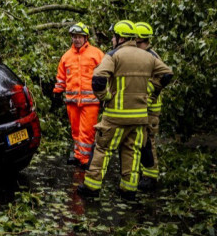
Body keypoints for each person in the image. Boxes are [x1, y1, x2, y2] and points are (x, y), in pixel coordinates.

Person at [77, 20, 173, 201]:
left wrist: (105, 97)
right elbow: (167, 74)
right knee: (132, 151)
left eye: (114, 36)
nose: (112, 39)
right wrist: (151, 90)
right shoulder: (148, 56)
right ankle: (128, 190)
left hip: (115, 116)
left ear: (121, 37)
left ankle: (91, 187)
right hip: (139, 117)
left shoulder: (114, 55)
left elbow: (98, 79)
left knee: (102, 149)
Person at [53, 22, 105, 168]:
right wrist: (57, 92)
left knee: (87, 133)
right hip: (72, 102)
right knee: (76, 132)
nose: (76, 39)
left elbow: (106, 74)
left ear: (85, 38)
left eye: (79, 37)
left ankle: (84, 160)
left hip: (91, 102)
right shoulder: (66, 57)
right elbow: (61, 78)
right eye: (74, 37)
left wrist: (105, 95)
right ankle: (78, 155)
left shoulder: (96, 54)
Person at [134, 22, 163, 191]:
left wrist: (148, 92)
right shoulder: (143, 55)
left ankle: (151, 176)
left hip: (150, 107)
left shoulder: (151, 57)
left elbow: (162, 78)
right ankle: (143, 172)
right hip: (142, 105)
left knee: (148, 142)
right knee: (140, 141)